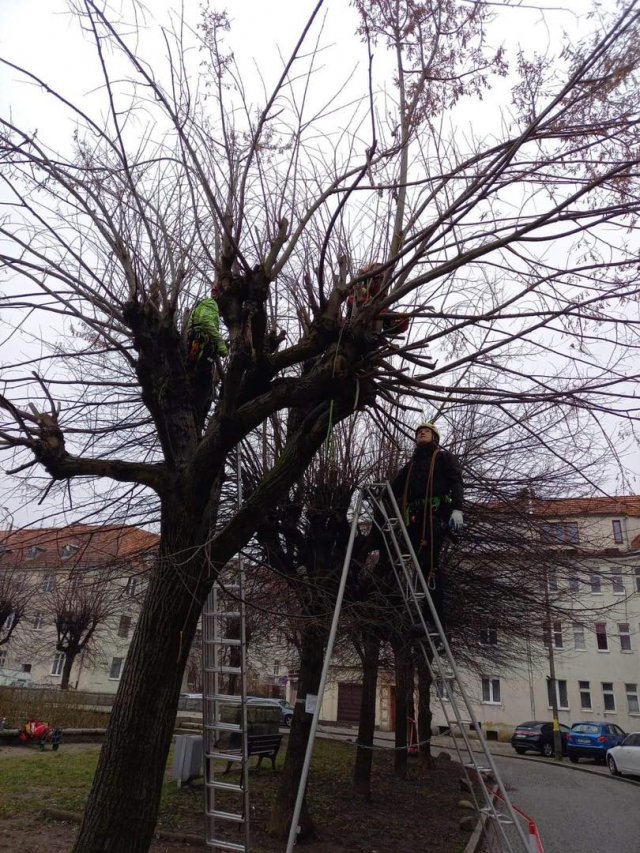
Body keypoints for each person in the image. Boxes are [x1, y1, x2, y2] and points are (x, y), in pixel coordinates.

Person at [390, 422, 464, 641]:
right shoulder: (412, 464)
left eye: (427, 431)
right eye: (419, 432)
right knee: (420, 568)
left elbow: (457, 482)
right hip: (414, 519)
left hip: (434, 517)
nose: (422, 433)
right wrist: (374, 493)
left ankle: (435, 621)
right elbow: (394, 487)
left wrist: (458, 509)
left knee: (431, 566)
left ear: (435, 437)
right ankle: (426, 620)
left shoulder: (442, 458)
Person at [185, 285, 228, 429]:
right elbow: (206, 321)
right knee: (205, 389)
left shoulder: (201, 305)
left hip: (194, 348)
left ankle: (195, 420)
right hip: (203, 347)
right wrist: (221, 343)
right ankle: (196, 421)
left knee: (200, 386)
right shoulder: (211, 303)